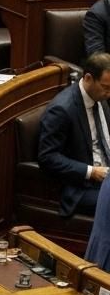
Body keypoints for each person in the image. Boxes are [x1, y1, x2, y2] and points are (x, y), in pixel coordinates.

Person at [38, 53, 110, 217]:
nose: (109, 93)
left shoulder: (99, 96)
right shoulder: (62, 109)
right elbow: (47, 157)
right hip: (82, 187)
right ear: (88, 78)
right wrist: (91, 171)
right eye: (106, 87)